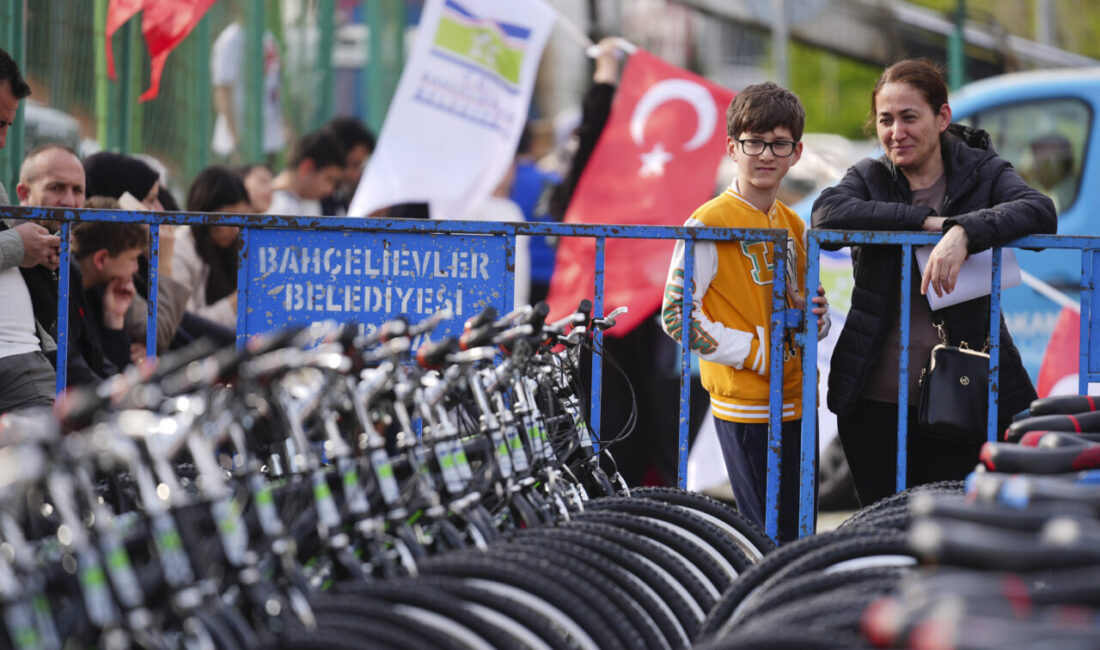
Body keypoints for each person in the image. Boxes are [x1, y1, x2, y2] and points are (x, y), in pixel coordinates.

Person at [811, 59, 1057, 507]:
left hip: (965, 396)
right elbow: (826, 215)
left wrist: (965, 232)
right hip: (874, 402)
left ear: (942, 117)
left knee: (959, 528)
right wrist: (929, 223)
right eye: (885, 120)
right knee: (882, 529)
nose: (896, 132)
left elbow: (1040, 210)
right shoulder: (868, 176)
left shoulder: (983, 170)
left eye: (909, 117)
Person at [661, 82, 829, 543]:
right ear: (732, 147)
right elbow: (676, 315)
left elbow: (802, 307)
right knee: (772, 540)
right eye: (754, 142)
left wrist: (813, 316)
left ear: (796, 153)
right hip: (747, 406)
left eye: (779, 144)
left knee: (802, 537)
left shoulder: (794, 223)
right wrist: (756, 352)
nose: (766, 155)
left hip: (799, 400)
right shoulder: (708, 222)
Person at [0, 49, 62, 412]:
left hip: (23, 360)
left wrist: (33, 251)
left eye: (8, 125)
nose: (3, 140)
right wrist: (18, 245)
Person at [68, 218, 145, 385]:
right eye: (133, 259)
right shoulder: (65, 289)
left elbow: (112, 368)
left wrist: (115, 319)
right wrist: (115, 393)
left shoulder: (98, 291)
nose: (136, 268)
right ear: (101, 259)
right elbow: (70, 366)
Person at [173, 166, 249, 329]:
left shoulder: (234, 245)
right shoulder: (179, 250)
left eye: (241, 219)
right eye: (229, 218)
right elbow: (185, 324)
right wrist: (235, 302)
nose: (236, 229)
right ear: (205, 211)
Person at [211, 17, 286, 163]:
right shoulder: (229, 41)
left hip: (269, 139)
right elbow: (222, 93)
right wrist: (236, 143)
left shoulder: (266, 36)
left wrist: (285, 126)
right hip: (241, 141)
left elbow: (275, 87)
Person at [510, 124, 561, 305]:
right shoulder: (555, 182)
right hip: (551, 276)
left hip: (511, 276)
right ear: (533, 144)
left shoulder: (495, 185)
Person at [268, 129, 345, 217]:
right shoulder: (280, 207)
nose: (331, 189)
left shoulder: (294, 202)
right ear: (307, 167)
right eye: (329, 179)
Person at [321, 117, 375, 216]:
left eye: (360, 167)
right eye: (354, 165)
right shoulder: (309, 202)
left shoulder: (340, 199)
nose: (356, 175)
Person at [1028, 132, 1077, 213]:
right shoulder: (1037, 189)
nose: (1035, 168)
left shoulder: (1070, 200)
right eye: (1036, 161)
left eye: (1045, 162)